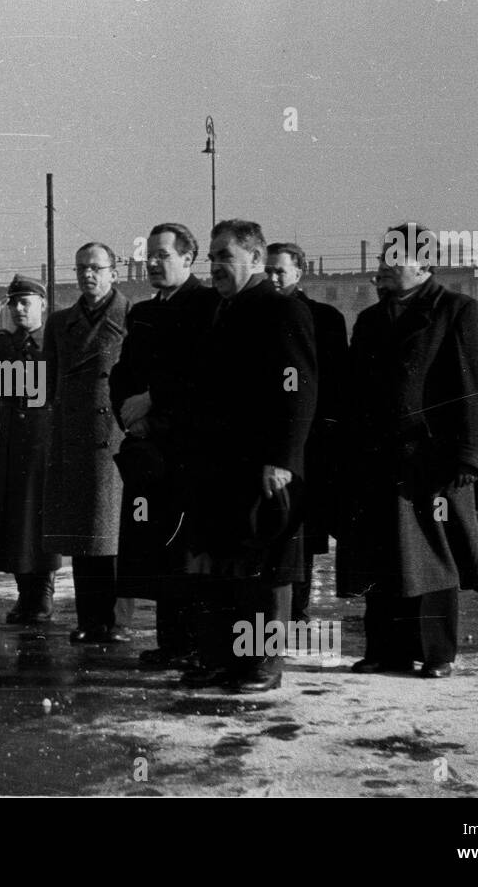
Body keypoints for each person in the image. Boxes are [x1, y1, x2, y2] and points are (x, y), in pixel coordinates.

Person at [336, 223, 478, 679]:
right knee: (381, 555)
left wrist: (469, 456)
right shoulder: (369, 320)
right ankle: (386, 650)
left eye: (393, 259)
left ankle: (437, 653)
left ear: (424, 264)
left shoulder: (457, 311)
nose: (381, 269)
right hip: (375, 459)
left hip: (431, 460)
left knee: (431, 556)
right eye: (382, 259)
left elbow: (476, 389)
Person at [181, 221, 316, 693]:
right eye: (212, 257)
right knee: (222, 566)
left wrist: (280, 458)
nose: (215, 266)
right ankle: (222, 658)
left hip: (263, 468)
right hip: (219, 466)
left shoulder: (280, 311)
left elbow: (298, 391)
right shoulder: (223, 310)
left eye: (225, 256)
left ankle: (262, 664)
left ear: (256, 260)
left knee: (264, 570)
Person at [109, 223, 217, 668]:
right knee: (161, 549)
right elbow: (123, 374)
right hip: (151, 450)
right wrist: (128, 416)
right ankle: (172, 642)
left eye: (162, 255)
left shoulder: (208, 306)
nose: (152, 262)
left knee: (190, 552)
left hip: (190, 449)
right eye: (149, 255)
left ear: (188, 259)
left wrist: (154, 402)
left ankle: (196, 644)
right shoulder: (143, 313)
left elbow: (204, 373)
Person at [42, 242, 134, 644]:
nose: (87, 275)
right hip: (76, 437)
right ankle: (89, 618)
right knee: (84, 534)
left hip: (116, 436)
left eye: (96, 268)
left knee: (114, 534)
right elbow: (46, 382)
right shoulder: (60, 323)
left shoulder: (131, 316)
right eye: (81, 268)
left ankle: (115, 620)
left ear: (114, 272)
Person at [265, 242, 347, 621]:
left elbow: (332, 382)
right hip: (271, 438)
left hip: (313, 440)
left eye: (282, 271)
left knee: (304, 526)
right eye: (269, 270)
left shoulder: (324, 318)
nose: (274, 277)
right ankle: (280, 607)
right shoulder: (256, 314)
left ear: (300, 272)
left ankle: (297, 606)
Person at [0, 275, 61, 624]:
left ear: (42, 304)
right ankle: (25, 594)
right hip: (9, 445)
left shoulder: (55, 343)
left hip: (43, 443)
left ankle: (42, 592)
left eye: (25, 302)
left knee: (40, 520)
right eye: (13, 303)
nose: (17, 309)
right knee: (14, 523)